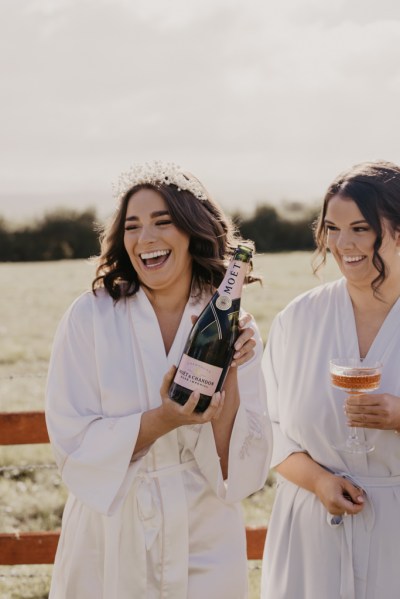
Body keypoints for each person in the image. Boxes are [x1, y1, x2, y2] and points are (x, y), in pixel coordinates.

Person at [45, 161, 272, 599]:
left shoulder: (232, 323)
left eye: (162, 222)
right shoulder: (90, 317)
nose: (145, 238)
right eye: (132, 226)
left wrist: (235, 371)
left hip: (203, 532)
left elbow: (239, 469)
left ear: (191, 231)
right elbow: (71, 440)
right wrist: (164, 419)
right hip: (111, 530)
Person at [261, 160, 400, 599]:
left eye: (360, 228)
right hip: (312, 536)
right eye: (331, 229)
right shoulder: (298, 320)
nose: (343, 244)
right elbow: (269, 429)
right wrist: (320, 482)